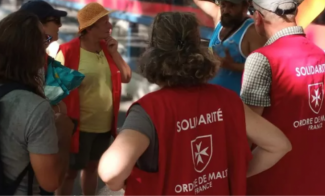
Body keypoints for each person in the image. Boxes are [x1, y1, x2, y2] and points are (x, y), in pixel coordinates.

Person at [97, 12, 291, 195]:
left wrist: (123, 184)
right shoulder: (227, 100)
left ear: (153, 52)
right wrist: (237, 172)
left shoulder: (149, 111)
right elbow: (278, 145)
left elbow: (111, 172)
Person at [241, 0, 325, 195]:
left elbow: (247, 134)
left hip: (271, 181)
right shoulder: (320, 56)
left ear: (258, 17)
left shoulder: (262, 59)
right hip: (314, 179)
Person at [0, 11, 74, 195]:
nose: (47, 45)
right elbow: (51, 182)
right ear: (33, 52)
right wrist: (64, 134)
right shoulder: (36, 109)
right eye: (45, 39)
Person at [55, 2, 132, 195]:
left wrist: (114, 53)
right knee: (69, 173)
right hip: (77, 128)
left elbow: (126, 77)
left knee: (91, 170)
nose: (110, 26)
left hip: (104, 126)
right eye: (104, 22)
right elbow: (54, 92)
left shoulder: (108, 49)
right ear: (89, 28)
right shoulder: (67, 52)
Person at [192, 0, 266, 94]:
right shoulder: (220, 18)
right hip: (211, 98)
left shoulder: (251, 32)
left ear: (245, 6)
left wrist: (231, 66)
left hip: (235, 103)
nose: (226, 10)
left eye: (232, 6)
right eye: (224, 5)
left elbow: (263, 70)